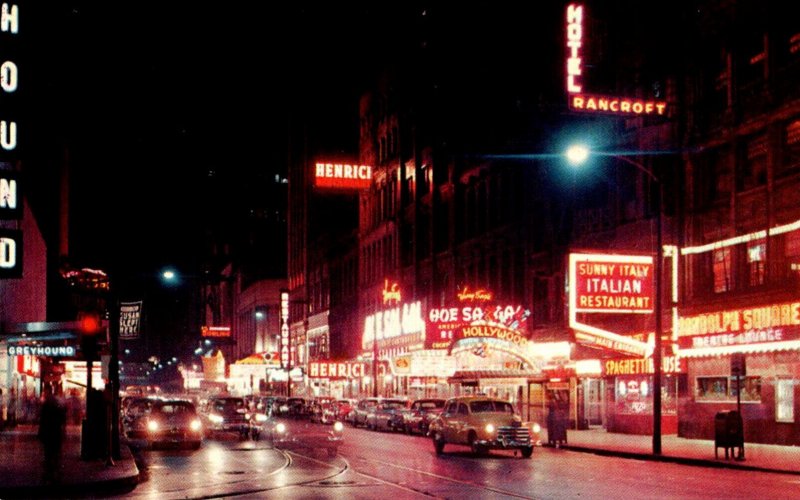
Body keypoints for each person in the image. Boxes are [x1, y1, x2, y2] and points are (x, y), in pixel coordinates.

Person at [38, 385, 67, 484]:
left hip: (49, 432)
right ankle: (55, 474)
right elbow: (62, 418)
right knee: (55, 454)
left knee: (49, 454)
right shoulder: (57, 402)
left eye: (45, 392)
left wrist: (41, 433)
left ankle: (49, 474)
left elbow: (43, 420)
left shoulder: (47, 404)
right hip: (55, 432)